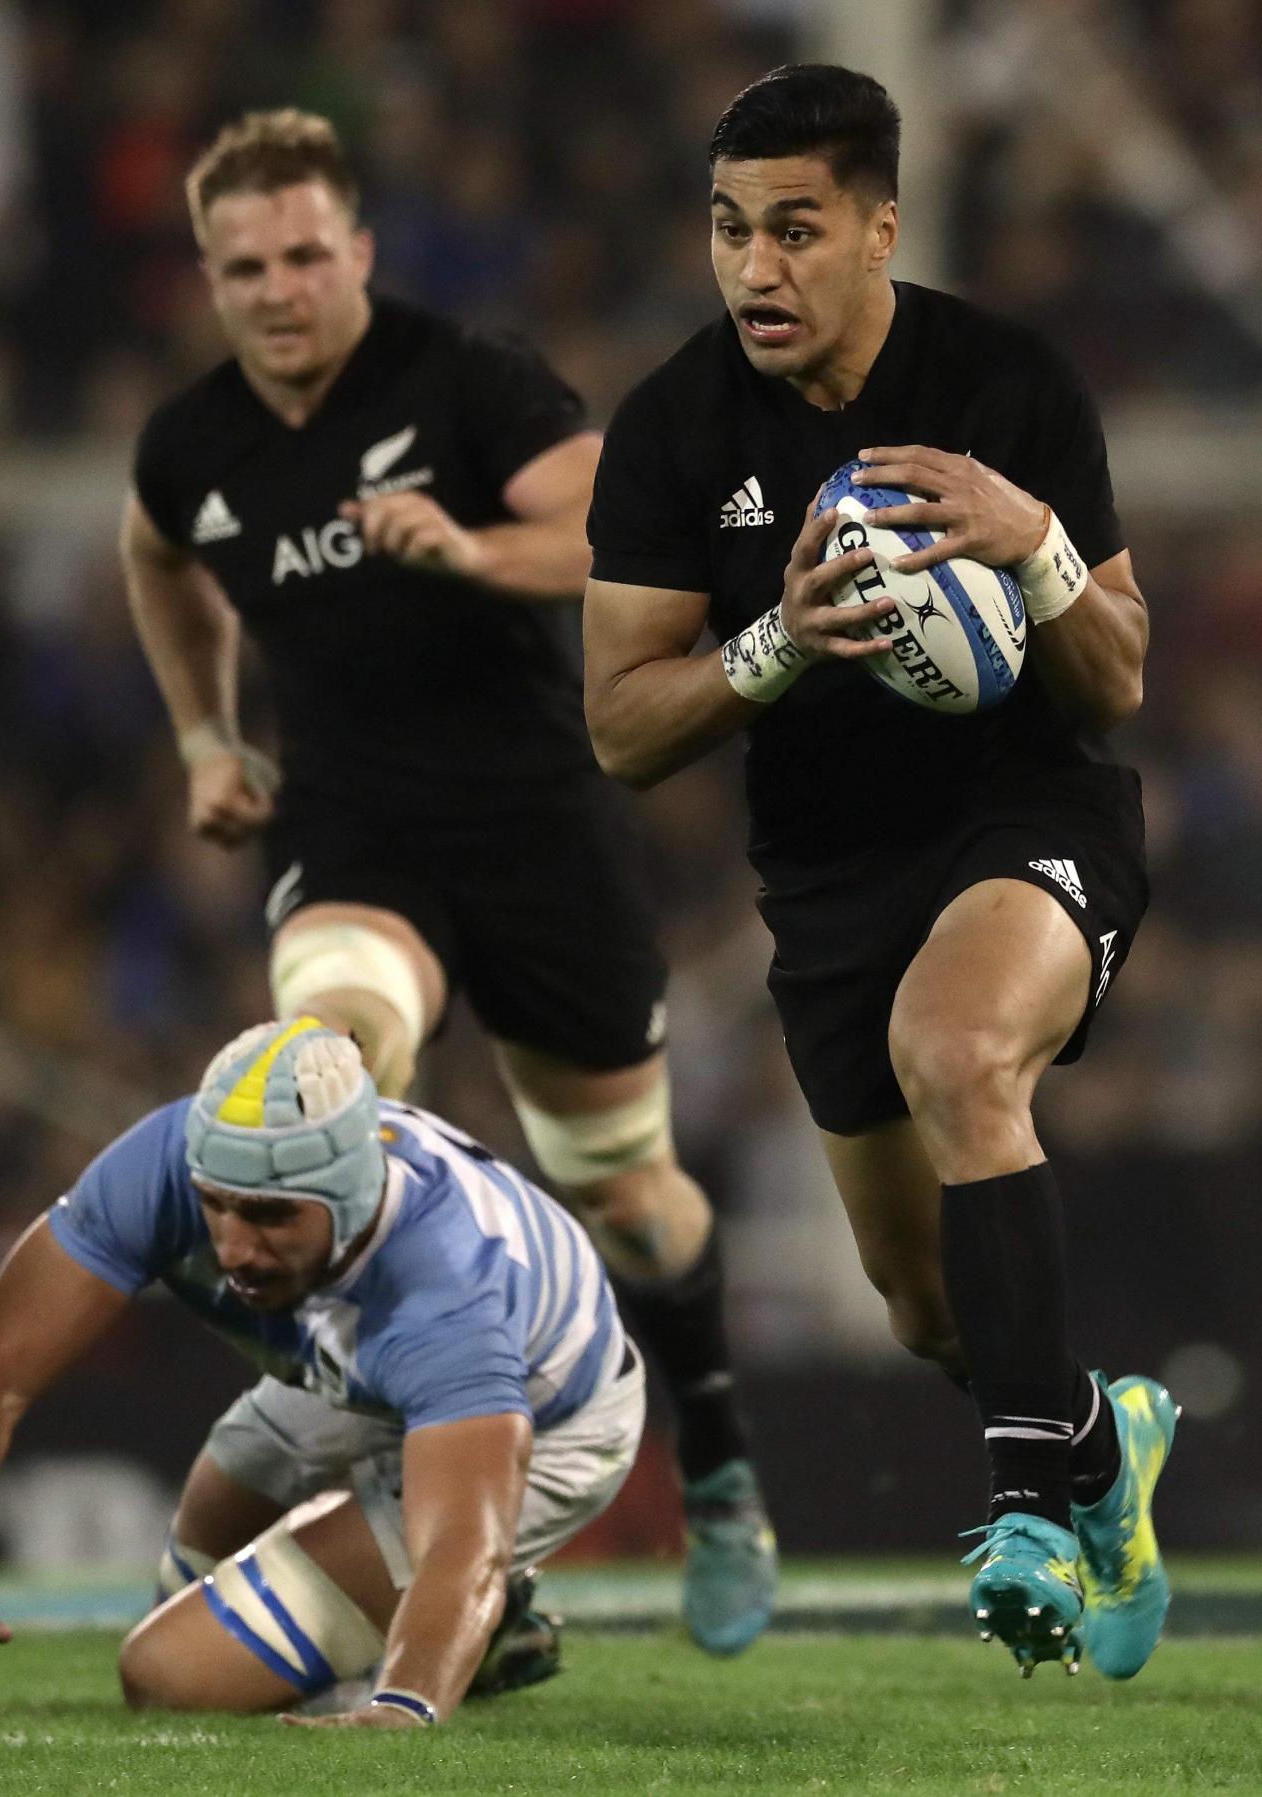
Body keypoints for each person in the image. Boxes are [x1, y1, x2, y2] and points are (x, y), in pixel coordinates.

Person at [116, 109, 772, 1653]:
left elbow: (624, 533)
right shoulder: (193, 444)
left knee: (628, 1191)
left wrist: (469, 550)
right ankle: (430, 1477)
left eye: (302, 256)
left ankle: (724, 1466)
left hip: (540, 827)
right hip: (355, 833)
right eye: (243, 267)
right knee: (336, 1064)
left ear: (356, 252)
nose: (277, 289)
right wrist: (207, 733)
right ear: (211, 280)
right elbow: (155, 553)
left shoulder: (465, 384)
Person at [580, 65, 1173, 1679]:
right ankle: (1099, 1454)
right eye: (727, 231)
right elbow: (624, 727)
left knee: (962, 1050)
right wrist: (775, 646)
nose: (754, 268)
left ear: (880, 231)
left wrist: (1031, 543)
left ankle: (1031, 1523)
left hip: (1031, 812)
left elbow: (1117, 677)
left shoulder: (1006, 382)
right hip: (833, 869)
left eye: (794, 229)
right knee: (923, 1308)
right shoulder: (674, 430)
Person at [0, 1020, 646, 1726]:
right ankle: (428, 1630)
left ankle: (455, 1637)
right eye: (218, 1205)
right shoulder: (169, 1162)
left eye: (271, 1214)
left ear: (350, 1193)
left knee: (167, 1674)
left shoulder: (443, 1293)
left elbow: (462, 1543)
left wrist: (402, 1705)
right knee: (209, 1529)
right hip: (360, 1359)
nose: (235, 1246)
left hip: (551, 1418)